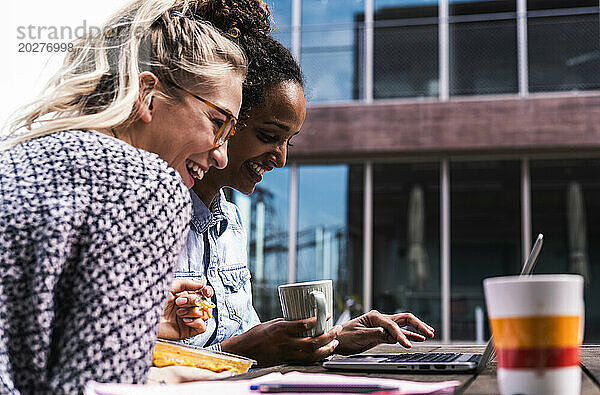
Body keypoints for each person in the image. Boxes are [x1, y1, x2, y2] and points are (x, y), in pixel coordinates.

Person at [157, 1, 435, 367]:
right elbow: (138, 359)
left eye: (289, 141)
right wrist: (238, 353)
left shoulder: (231, 224)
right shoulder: (152, 212)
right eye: (269, 135)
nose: (281, 158)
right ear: (228, 116)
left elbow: (245, 337)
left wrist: (333, 337)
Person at [0, 0, 246, 392]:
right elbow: (92, 389)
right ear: (148, 93)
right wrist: (161, 382)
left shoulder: (17, 158)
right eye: (218, 123)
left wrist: (135, 329)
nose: (221, 155)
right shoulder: (147, 186)